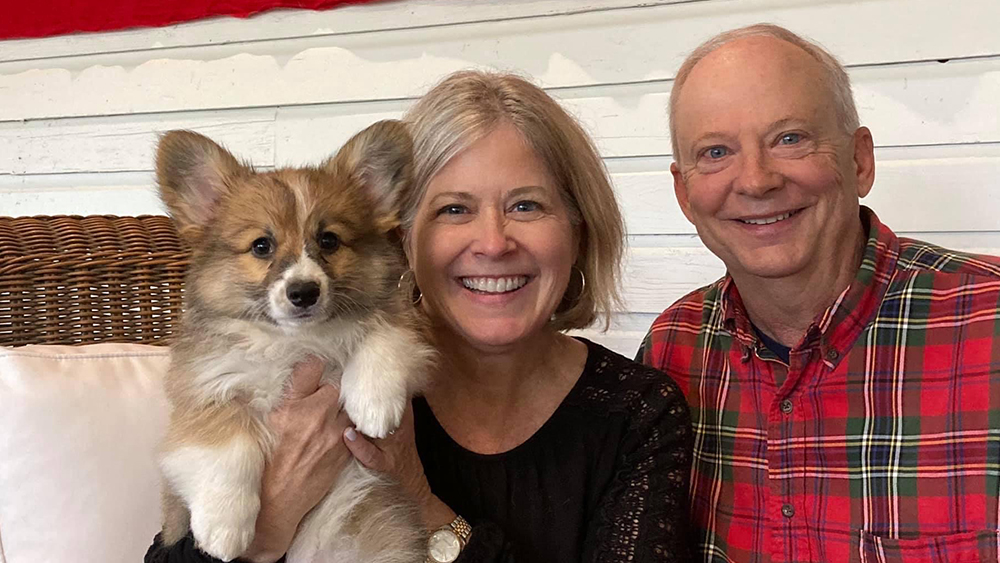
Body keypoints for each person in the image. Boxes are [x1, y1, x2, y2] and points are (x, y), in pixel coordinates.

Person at [147, 70, 692, 563]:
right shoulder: (312, 377)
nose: (493, 243)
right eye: (453, 209)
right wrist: (269, 525)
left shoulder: (635, 415)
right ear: (402, 235)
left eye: (527, 205)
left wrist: (422, 500)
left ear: (579, 227)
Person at [637, 23, 1000, 563]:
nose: (756, 180)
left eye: (790, 138)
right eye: (716, 151)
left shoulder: (988, 321)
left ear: (859, 161)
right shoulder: (673, 350)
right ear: (684, 193)